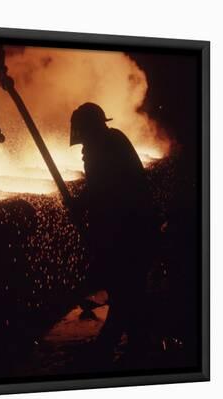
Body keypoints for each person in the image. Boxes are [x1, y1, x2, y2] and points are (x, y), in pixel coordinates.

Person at [69, 102, 158, 361]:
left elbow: (103, 187)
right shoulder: (112, 140)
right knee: (131, 292)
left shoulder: (102, 148)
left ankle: (111, 349)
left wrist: (80, 206)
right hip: (137, 228)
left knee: (124, 292)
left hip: (128, 232)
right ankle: (137, 345)